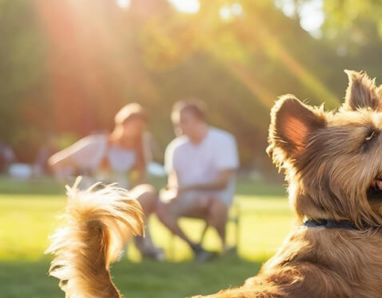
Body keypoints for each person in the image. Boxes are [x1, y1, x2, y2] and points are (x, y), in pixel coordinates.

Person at [47, 103, 163, 259]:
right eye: (132, 125)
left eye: (139, 128)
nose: (135, 131)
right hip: (99, 197)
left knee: (146, 193)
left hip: (127, 200)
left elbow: (139, 183)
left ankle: (123, 243)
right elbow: (57, 162)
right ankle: (134, 245)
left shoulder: (140, 153)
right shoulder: (98, 144)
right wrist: (72, 191)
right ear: (121, 123)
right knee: (127, 206)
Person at [156, 99, 239, 262]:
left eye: (184, 121)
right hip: (187, 200)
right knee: (160, 206)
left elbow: (223, 182)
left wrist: (190, 189)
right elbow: (175, 183)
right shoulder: (176, 148)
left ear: (199, 120)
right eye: (177, 122)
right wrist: (171, 194)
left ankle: (223, 246)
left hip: (217, 197)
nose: (179, 126)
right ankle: (195, 247)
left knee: (216, 206)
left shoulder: (223, 141)